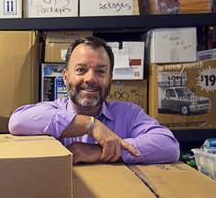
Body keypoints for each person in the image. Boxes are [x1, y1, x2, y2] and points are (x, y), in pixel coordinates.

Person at [9, 36, 180, 164]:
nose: (90, 79)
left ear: (110, 78)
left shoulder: (128, 114)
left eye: (100, 71)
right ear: (66, 77)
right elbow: (17, 122)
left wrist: (100, 151)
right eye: (81, 70)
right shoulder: (54, 110)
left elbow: (169, 146)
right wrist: (91, 125)